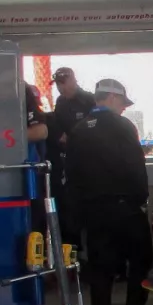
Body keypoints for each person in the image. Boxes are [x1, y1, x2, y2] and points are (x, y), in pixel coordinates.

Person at [65, 78, 153, 305]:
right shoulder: (123, 126)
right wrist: (141, 199)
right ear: (110, 97)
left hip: (93, 212)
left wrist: (76, 218)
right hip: (125, 208)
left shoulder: (78, 129)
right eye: (121, 102)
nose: (123, 108)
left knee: (100, 271)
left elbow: (71, 176)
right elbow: (135, 166)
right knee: (142, 263)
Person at [48, 66, 95, 246]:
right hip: (69, 165)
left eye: (63, 83)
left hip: (91, 164)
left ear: (73, 80)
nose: (60, 88)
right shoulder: (60, 103)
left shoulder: (89, 100)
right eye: (57, 84)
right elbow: (58, 130)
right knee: (70, 211)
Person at [20, 82, 49, 305]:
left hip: (23, 196)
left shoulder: (18, 89)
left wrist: (7, 137)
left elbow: (40, 129)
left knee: (29, 264)